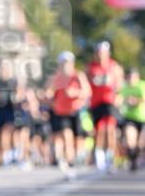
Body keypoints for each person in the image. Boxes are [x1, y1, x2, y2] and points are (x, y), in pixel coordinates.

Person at [45, 51, 91, 179]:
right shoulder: (56, 77)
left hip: (75, 112)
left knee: (77, 140)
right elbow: (48, 92)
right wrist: (48, 97)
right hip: (61, 113)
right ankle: (69, 164)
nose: (66, 65)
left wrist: (75, 93)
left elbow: (87, 91)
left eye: (68, 62)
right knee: (66, 136)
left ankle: (74, 159)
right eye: (63, 63)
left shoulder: (78, 75)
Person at [87, 40, 123, 171]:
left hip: (110, 102)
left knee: (110, 130)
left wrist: (118, 95)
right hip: (96, 103)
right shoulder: (91, 67)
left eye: (104, 52)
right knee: (100, 130)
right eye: (99, 52)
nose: (101, 55)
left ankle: (110, 156)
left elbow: (120, 84)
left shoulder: (114, 66)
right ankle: (100, 155)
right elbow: (89, 82)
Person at [120, 67, 145, 171]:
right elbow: (119, 98)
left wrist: (135, 100)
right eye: (129, 77)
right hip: (130, 118)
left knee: (140, 143)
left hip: (142, 118)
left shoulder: (142, 85)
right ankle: (132, 160)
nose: (131, 79)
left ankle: (136, 157)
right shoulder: (124, 87)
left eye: (133, 77)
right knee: (130, 140)